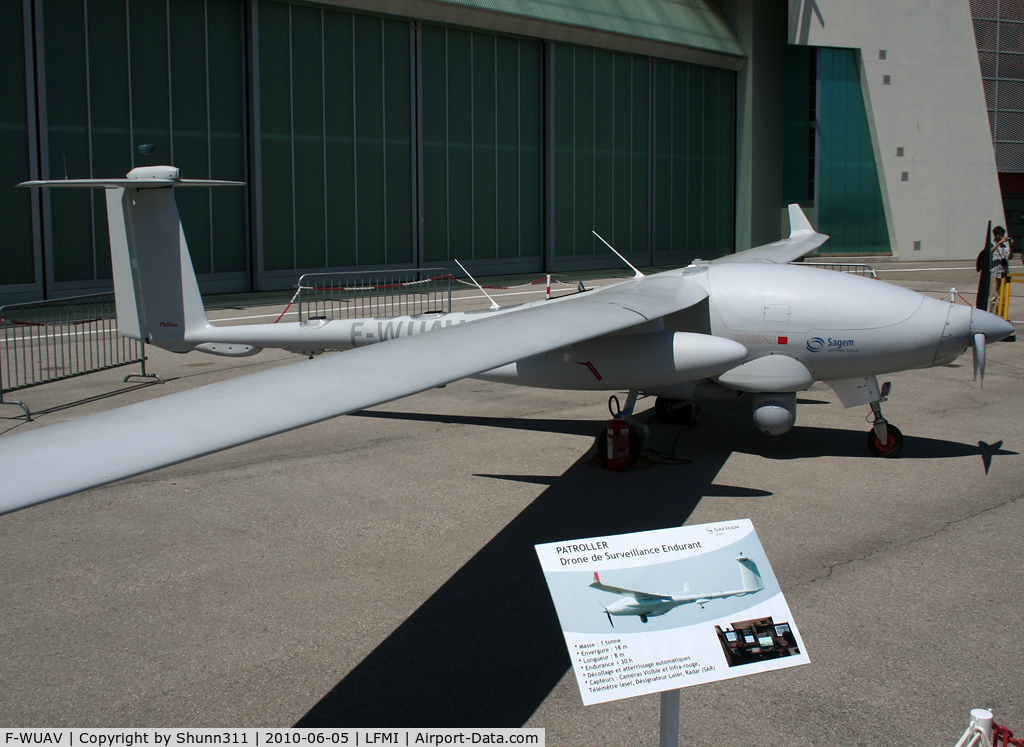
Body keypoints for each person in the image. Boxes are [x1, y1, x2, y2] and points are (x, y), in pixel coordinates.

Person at [990, 226, 1013, 313]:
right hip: (994, 273)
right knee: (993, 297)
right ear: (995, 235)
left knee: (1003, 297)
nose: (1001, 237)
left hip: (1004, 273)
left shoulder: (1005, 247)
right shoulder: (992, 245)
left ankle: (1001, 314)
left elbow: (1010, 257)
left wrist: (1012, 246)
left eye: (1002, 235)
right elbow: (989, 252)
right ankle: (991, 314)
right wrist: (999, 243)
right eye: (999, 235)